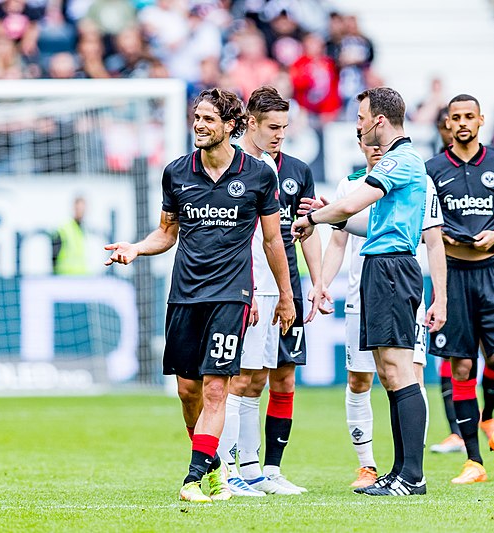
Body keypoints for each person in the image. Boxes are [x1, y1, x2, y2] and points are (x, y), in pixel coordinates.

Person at [104, 88, 295, 503]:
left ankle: (194, 477)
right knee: (187, 391)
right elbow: (166, 233)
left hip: (232, 295)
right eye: (196, 117)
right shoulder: (176, 173)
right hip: (185, 294)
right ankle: (210, 466)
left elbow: (272, 241)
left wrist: (285, 295)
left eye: (208, 119)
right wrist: (136, 248)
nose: (199, 125)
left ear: (231, 125)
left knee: (215, 389)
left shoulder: (259, 176)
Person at [292, 87, 447, 496]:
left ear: (380, 120)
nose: (357, 125)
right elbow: (362, 221)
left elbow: (350, 205)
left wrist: (315, 218)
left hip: (393, 268)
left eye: (361, 118)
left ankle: (413, 476)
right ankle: (399, 472)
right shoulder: (404, 162)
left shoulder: (400, 159)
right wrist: (332, 219)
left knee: (399, 370)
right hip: (383, 266)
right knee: (387, 371)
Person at [216, 86, 324, 497]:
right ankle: (227, 469)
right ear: (251, 124)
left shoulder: (295, 170)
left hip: (281, 284)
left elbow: (305, 229)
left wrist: (314, 283)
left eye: (285, 127)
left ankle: (257, 469)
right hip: (247, 285)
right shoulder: (236, 167)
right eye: (273, 127)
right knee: (239, 379)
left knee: (266, 378)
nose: (280, 134)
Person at [426, 94, 494, 485]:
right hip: (452, 276)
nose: (463, 122)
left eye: (470, 116)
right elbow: (425, 229)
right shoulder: (432, 170)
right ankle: (474, 461)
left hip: (493, 274)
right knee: (462, 365)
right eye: (456, 117)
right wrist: (447, 240)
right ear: (448, 124)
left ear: (481, 120)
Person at [52, 196, 88, 275]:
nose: (81, 212)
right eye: (78, 209)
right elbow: (54, 255)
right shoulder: (64, 229)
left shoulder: (83, 229)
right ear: (74, 208)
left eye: (83, 209)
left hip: (81, 276)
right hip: (65, 277)